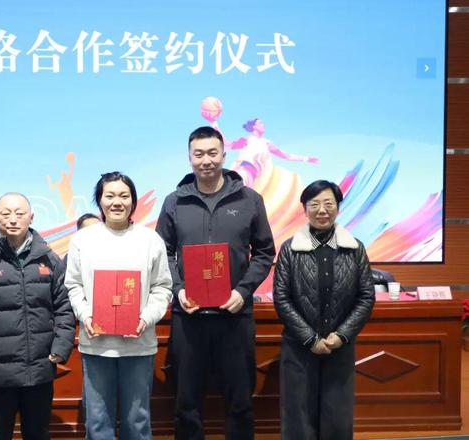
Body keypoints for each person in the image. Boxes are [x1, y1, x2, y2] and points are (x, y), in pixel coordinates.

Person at [155, 126, 276, 440]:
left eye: (212, 153)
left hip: (235, 316)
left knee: (240, 401)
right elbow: (162, 252)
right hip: (188, 317)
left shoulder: (250, 199)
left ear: (224, 154)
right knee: (186, 403)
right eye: (198, 154)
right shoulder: (174, 202)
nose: (205, 160)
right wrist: (178, 289)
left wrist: (243, 291)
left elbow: (265, 252)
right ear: (189, 157)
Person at [0, 192, 75, 440]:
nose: (13, 219)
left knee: (38, 435)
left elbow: (64, 307)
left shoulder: (49, 259)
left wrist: (61, 347)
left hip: (39, 368)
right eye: (5, 213)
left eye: (19, 213)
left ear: (31, 217)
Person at [65, 172, 172, 440]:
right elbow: (73, 286)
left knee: (137, 420)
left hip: (138, 345)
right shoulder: (82, 240)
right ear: (99, 201)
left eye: (124, 196)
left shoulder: (150, 240)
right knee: (97, 421)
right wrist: (85, 315)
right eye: (109, 195)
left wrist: (146, 318)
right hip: (96, 344)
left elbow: (162, 287)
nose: (117, 202)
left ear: (133, 201)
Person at [272, 180, 375, 440]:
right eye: (314, 204)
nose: (322, 210)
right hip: (299, 348)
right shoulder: (289, 249)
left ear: (338, 208)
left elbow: (366, 297)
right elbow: (282, 298)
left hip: (339, 348)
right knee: (299, 417)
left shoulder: (355, 249)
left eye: (329, 204)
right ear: (304, 209)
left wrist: (341, 335)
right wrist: (310, 339)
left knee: (337, 417)